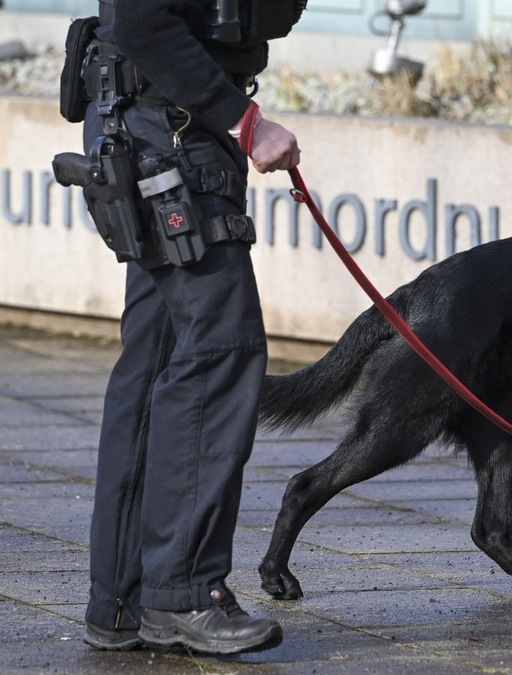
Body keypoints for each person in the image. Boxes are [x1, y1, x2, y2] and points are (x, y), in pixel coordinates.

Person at [66, 0, 304, 655]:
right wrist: (244, 122)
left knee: (154, 362)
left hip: (149, 125)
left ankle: (124, 596)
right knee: (219, 350)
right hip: (165, 134)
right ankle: (186, 593)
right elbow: (145, 21)